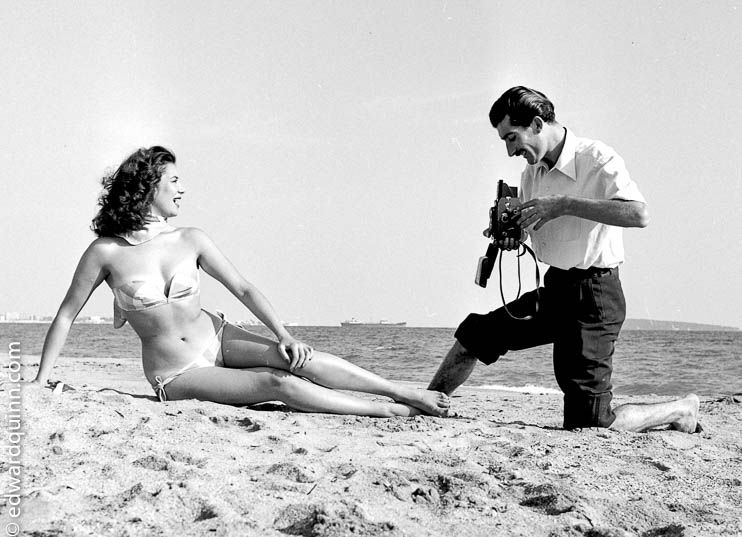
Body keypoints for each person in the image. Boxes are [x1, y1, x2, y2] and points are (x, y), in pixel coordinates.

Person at [32, 146, 449, 418]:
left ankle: (403, 392)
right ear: (147, 187)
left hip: (218, 335)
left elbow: (244, 288)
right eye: (174, 181)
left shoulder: (191, 238)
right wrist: (39, 380)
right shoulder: (105, 252)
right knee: (278, 384)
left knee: (295, 359)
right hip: (177, 373)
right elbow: (67, 315)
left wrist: (283, 334)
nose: (182, 189)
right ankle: (390, 413)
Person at [428, 86, 699, 433]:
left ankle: (681, 409)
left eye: (512, 138)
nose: (511, 151)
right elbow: (532, 227)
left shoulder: (596, 158)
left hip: (595, 295)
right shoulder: (532, 174)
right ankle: (427, 404)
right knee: (476, 334)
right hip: (556, 288)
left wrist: (564, 204)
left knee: (590, 422)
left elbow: (639, 214)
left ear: (537, 123)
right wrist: (512, 236)